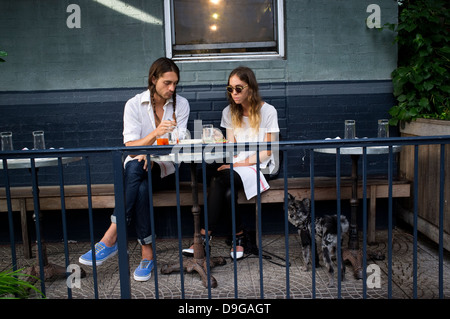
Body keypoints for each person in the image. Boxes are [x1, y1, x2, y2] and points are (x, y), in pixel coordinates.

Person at [79, 57, 190, 281]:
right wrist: (154, 135)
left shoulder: (182, 104)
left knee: (138, 167)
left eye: (175, 83)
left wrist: (151, 155)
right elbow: (129, 148)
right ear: (153, 79)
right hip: (137, 168)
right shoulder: (134, 104)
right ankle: (147, 255)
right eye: (167, 83)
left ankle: (111, 236)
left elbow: (179, 145)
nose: (172, 88)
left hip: (165, 169)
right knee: (139, 180)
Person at [183, 66, 279, 260]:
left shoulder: (268, 111)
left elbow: (269, 150)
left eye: (238, 88)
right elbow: (231, 149)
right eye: (230, 89)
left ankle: (202, 238)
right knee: (217, 181)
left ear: (250, 88)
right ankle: (239, 238)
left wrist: (238, 165)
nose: (234, 93)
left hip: (262, 164)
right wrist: (220, 142)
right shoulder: (229, 112)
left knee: (219, 180)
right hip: (236, 165)